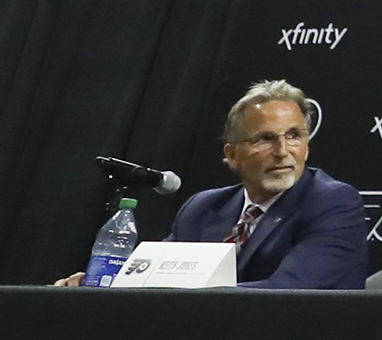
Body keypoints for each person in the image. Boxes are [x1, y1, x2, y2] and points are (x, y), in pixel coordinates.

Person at [118, 80, 366, 288]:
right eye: (265, 139)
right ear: (233, 155)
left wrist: (185, 294)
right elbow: (151, 277)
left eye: (294, 136)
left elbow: (285, 292)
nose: (282, 151)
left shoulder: (332, 203)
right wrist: (109, 284)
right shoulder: (202, 208)